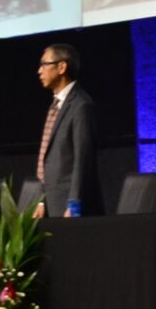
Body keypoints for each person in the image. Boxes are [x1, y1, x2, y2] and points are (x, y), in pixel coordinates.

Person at [34, 43, 103, 218]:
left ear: (62, 67)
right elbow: (48, 159)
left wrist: (74, 204)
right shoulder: (56, 104)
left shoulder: (81, 105)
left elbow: (83, 159)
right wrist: (42, 200)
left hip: (71, 207)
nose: (39, 71)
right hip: (52, 203)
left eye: (44, 64)